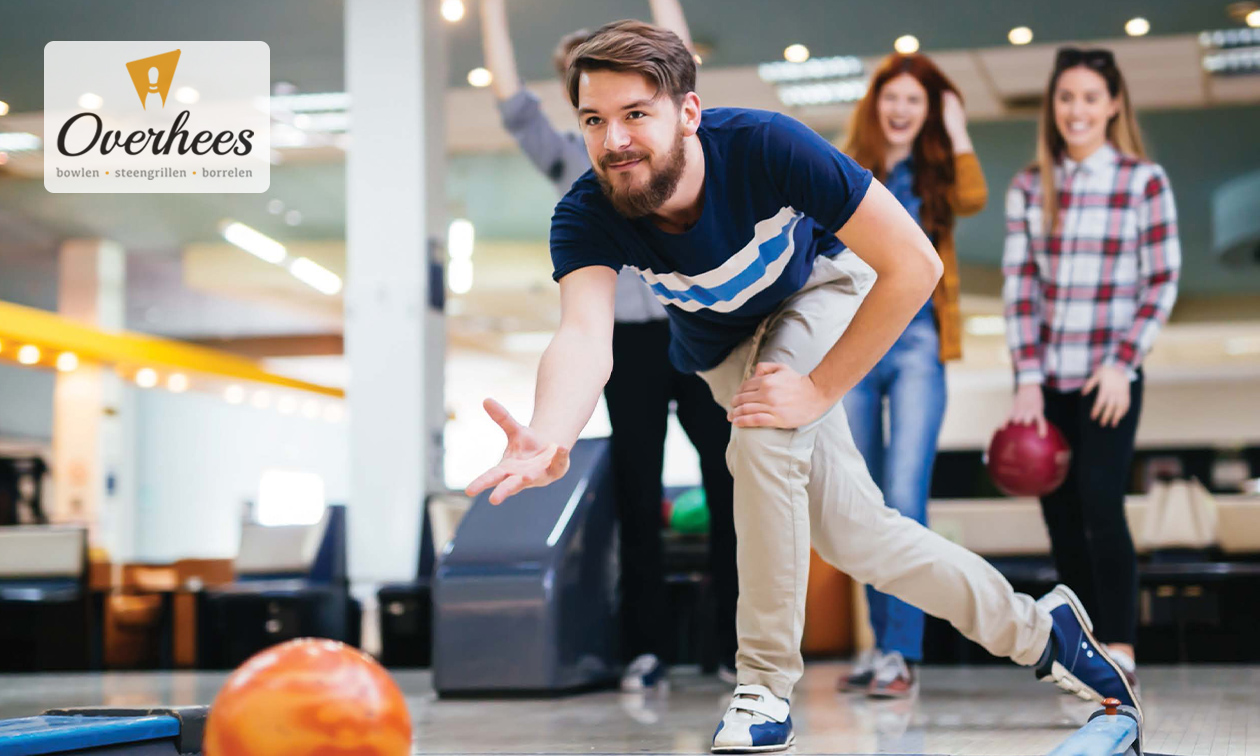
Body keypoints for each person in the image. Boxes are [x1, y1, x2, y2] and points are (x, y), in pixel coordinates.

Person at [466, 21, 1140, 753]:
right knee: (861, 537)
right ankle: (1044, 632)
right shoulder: (588, 210)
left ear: (687, 114)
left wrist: (819, 388)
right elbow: (585, 338)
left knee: (762, 435)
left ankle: (762, 687)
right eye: (594, 121)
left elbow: (915, 263)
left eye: (636, 115)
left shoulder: (767, 146)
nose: (615, 140)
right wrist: (553, 431)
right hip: (720, 347)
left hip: (815, 291)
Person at [478, 0, 737, 689]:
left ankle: (736, 644)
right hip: (625, 348)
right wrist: (487, 15)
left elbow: (673, 64)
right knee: (634, 488)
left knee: (729, 479)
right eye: (587, 93)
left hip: (695, 329)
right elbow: (510, 101)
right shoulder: (573, 164)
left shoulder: (662, 144)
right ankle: (648, 648)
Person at [1003, 46, 1181, 691]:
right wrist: (1026, 375)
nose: (1076, 110)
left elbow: (1161, 280)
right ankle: (1081, 647)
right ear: (1053, 107)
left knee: (1102, 505)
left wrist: (1123, 363)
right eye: (1066, 97)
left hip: (1110, 378)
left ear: (1112, 106)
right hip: (1046, 379)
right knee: (1059, 514)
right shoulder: (1030, 185)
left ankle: (1122, 644)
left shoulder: (1143, 181)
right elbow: (1020, 288)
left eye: (1089, 98)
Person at [835, 52, 987, 699]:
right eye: (892, 98)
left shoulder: (937, 176)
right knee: (862, 502)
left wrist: (956, 126)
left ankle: (901, 651)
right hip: (858, 343)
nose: (900, 110)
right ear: (875, 105)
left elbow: (975, 197)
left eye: (915, 102)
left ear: (927, 113)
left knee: (905, 497)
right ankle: (879, 650)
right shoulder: (849, 168)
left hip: (919, 341)